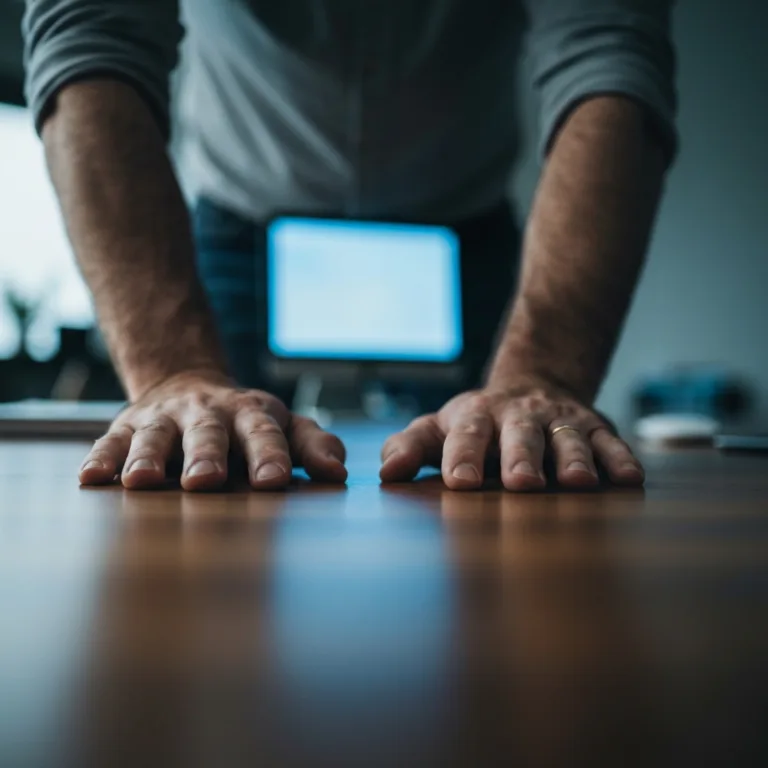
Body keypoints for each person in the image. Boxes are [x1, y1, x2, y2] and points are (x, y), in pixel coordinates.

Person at [23, 0, 677, 492]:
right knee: (195, 472)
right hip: (238, 222)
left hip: (464, 230)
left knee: (511, 473)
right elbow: (91, 36)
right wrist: (171, 373)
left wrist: (547, 372)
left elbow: (609, 48)